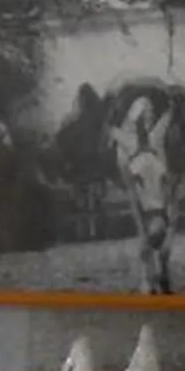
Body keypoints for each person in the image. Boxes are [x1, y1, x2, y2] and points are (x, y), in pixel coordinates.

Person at [122, 97, 174, 294]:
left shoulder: (155, 144)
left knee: (157, 240)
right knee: (147, 241)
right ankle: (149, 278)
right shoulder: (134, 153)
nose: (145, 124)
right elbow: (134, 192)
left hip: (157, 202)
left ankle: (161, 275)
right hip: (148, 203)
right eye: (140, 122)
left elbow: (165, 183)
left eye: (148, 117)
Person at [51, 82, 111, 247]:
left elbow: (61, 138)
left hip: (79, 168)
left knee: (83, 203)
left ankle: (84, 232)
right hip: (94, 167)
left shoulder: (75, 123)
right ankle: (96, 232)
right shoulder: (100, 120)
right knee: (95, 202)